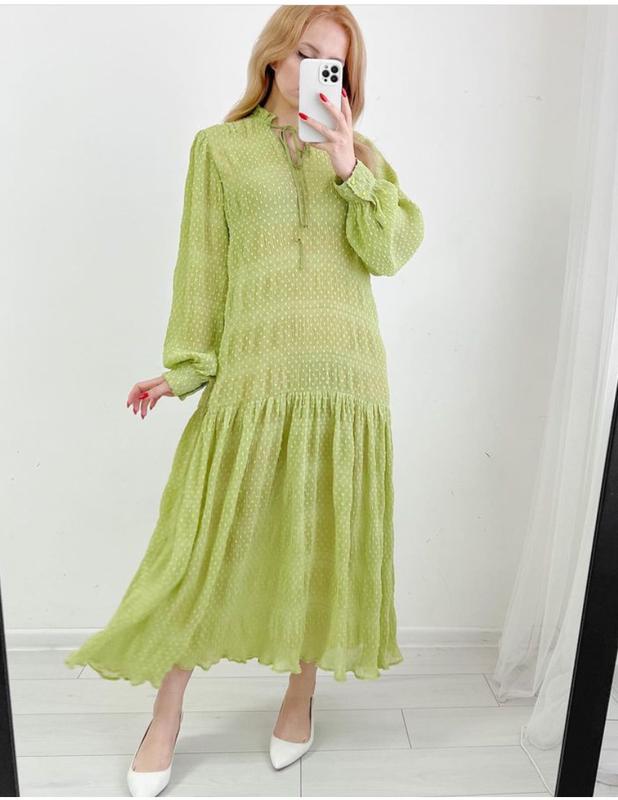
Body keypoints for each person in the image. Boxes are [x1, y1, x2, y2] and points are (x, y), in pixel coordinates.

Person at [64, 4, 424, 793]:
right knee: (206, 548)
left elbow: (391, 250)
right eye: (304, 51)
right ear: (273, 55)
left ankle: (300, 694)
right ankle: (166, 714)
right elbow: (203, 267)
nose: (313, 70)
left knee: (322, 540)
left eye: (333, 62)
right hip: (256, 379)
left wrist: (347, 166)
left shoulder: (360, 155)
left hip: (345, 379)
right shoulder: (219, 150)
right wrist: (187, 368)